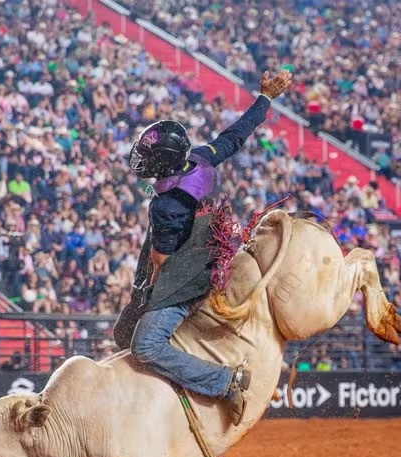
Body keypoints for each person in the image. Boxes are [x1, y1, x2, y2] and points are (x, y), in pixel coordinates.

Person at [114, 70, 293, 425]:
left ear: (164, 164)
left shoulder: (165, 206)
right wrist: (266, 99)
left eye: (150, 158)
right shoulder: (201, 158)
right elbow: (235, 135)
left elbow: (162, 266)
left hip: (191, 275)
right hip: (216, 250)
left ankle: (226, 382)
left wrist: (145, 296)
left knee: (143, 344)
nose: (144, 161)